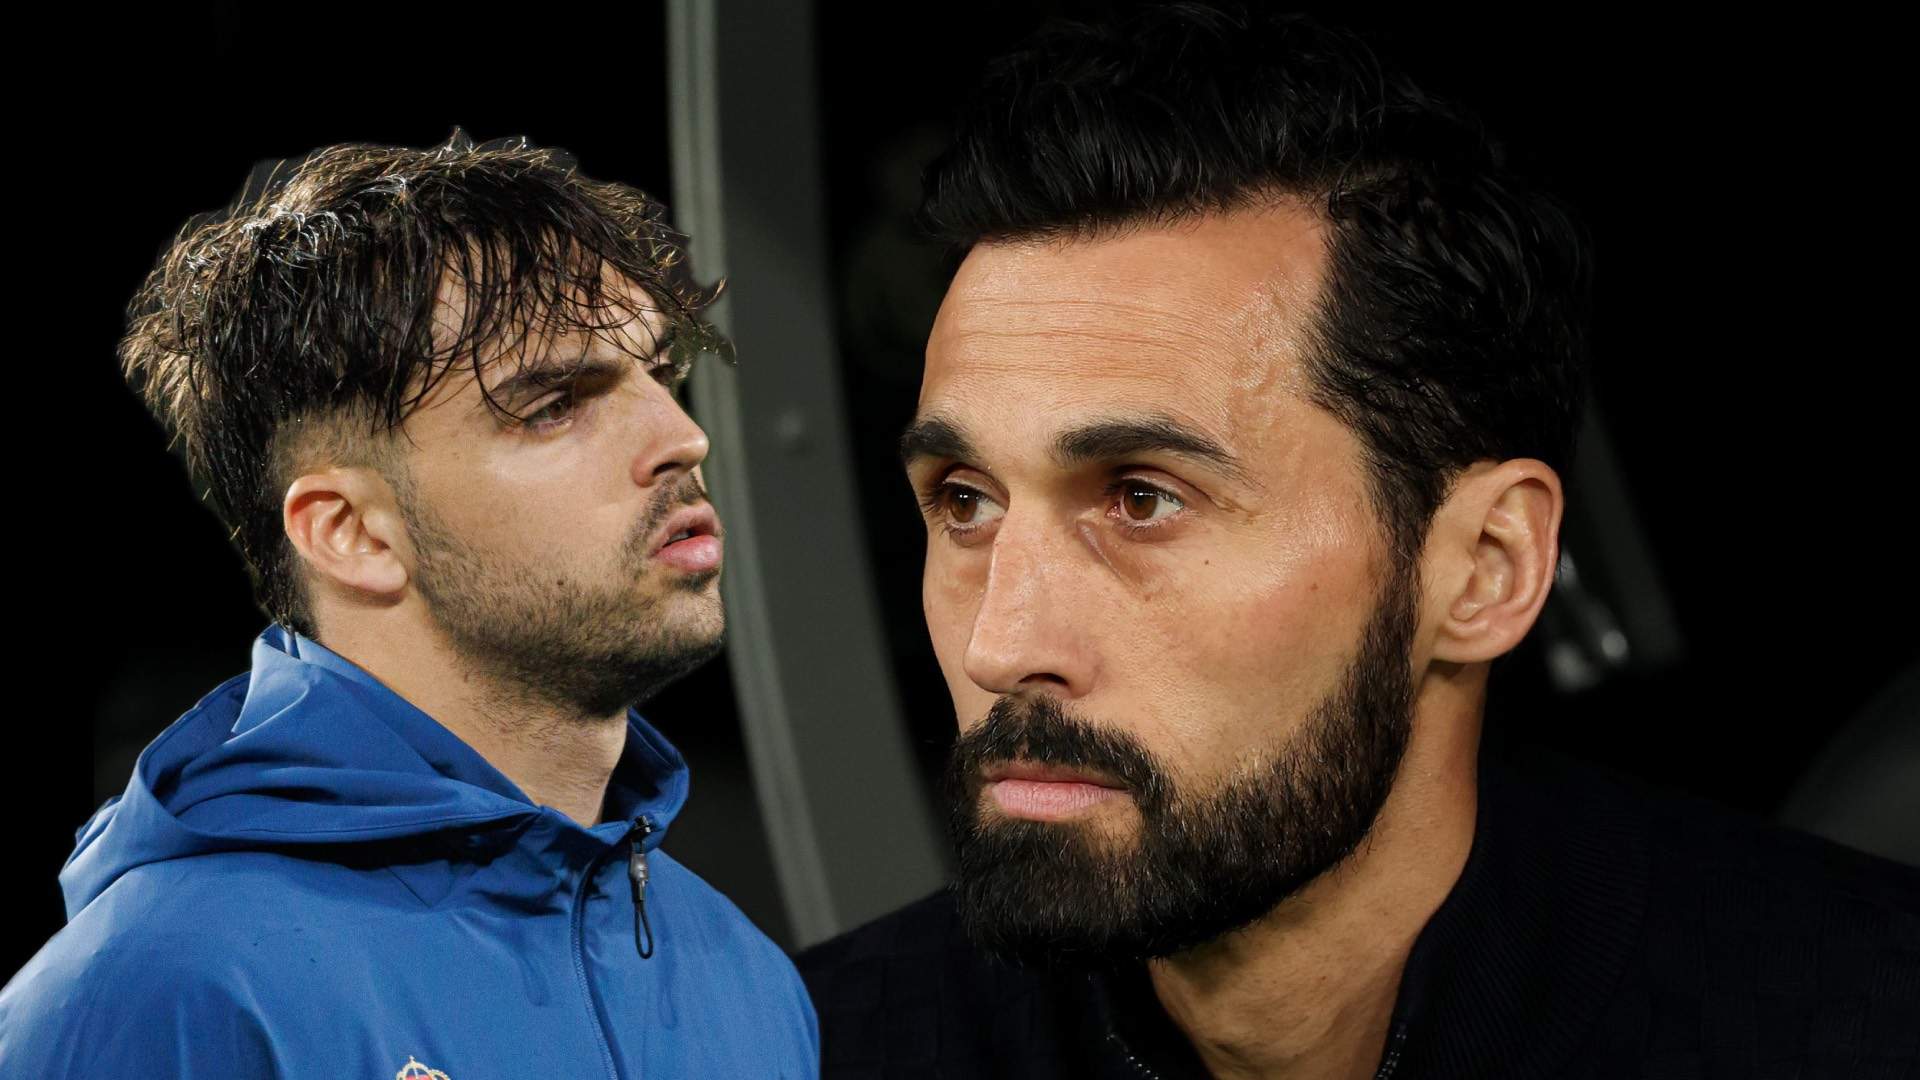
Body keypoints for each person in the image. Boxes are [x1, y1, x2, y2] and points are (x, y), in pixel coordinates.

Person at [796, 7, 1919, 1077]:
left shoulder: (1856, 1023)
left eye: (1141, 498)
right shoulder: (803, 1049)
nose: (1001, 646)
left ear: (1484, 569)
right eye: (965, 502)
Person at [0, 134, 816, 1078]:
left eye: (660, 374)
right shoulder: (158, 992)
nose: (682, 435)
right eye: (555, 403)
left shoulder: (751, 982)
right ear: (351, 532)